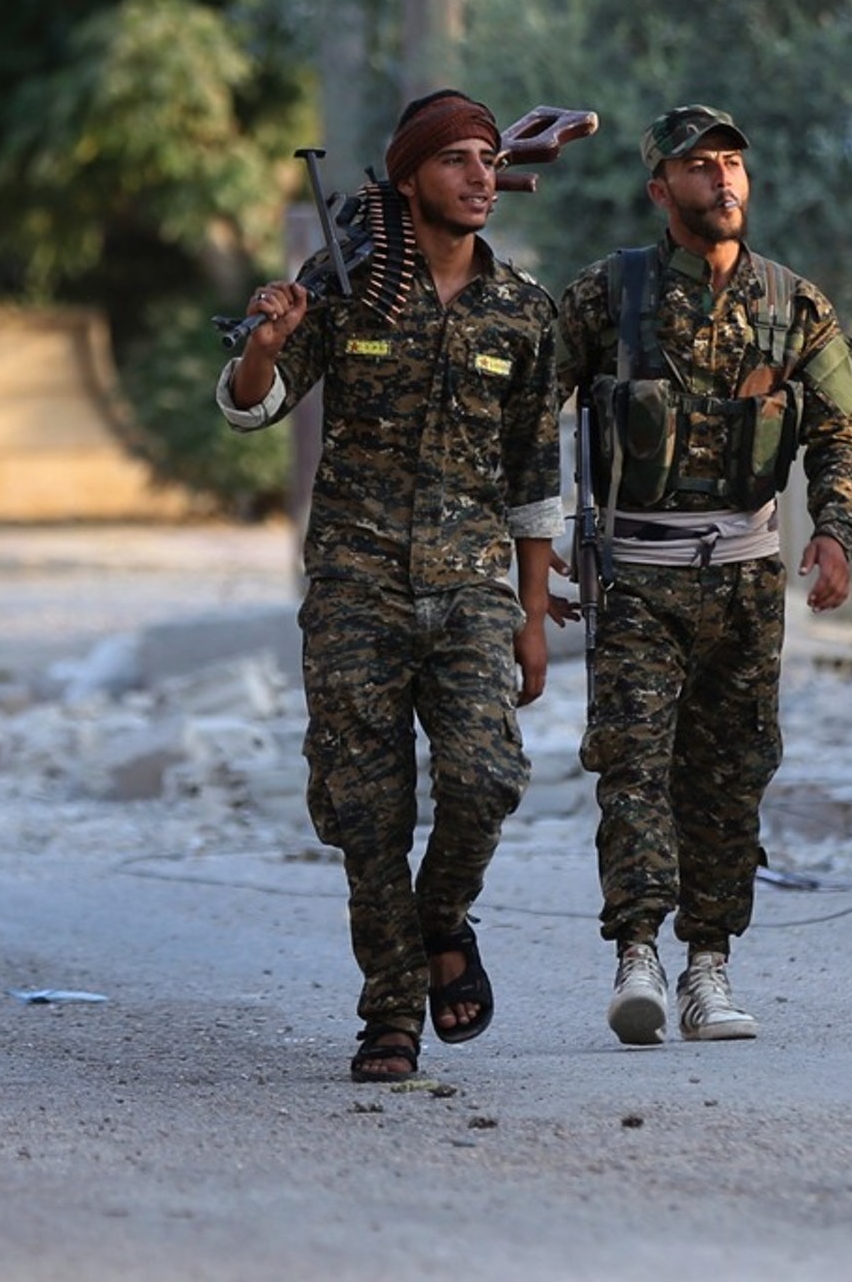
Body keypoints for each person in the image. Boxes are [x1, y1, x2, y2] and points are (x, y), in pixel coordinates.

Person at [216, 90, 561, 1081]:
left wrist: (535, 618)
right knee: (367, 814)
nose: (481, 176)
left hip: (472, 589)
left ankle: (443, 915)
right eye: (456, 160)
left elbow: (536, 479)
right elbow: (253, 406)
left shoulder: (521, 310)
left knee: (486, 779)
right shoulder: (350, 281)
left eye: (489, 159)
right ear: (408, 180)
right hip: (355, 585)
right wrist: (267, 343)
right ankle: (392, 1009)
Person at [552, 105, 852, 1045]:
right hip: (637, 574)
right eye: (699, 166)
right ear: (661, 189)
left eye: (732, 162)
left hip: (745, 579)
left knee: (731, 773)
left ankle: (709, 966)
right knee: (634, 764)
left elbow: (839, 428)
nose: (722, 179)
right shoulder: (611, 294)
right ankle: (637, 954)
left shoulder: (793, 304)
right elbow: (530, 406)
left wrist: (836, 530)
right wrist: (530, 541)